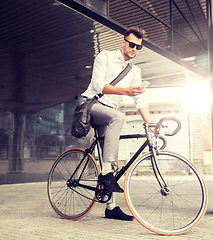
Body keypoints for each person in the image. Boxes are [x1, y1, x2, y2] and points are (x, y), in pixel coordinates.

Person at [80, 26, 152, 221]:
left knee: (111, 157)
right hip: (91, 105)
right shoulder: (105, 56)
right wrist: (125, 91)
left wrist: (150, 124)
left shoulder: (135, 70)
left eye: (138, 47)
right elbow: (97, 85)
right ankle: (104, 173)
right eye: (131, 44)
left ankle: (111, 207)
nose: (134, 49)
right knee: (119, 117)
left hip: (108, 113)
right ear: (123, 42)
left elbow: (140, 100)